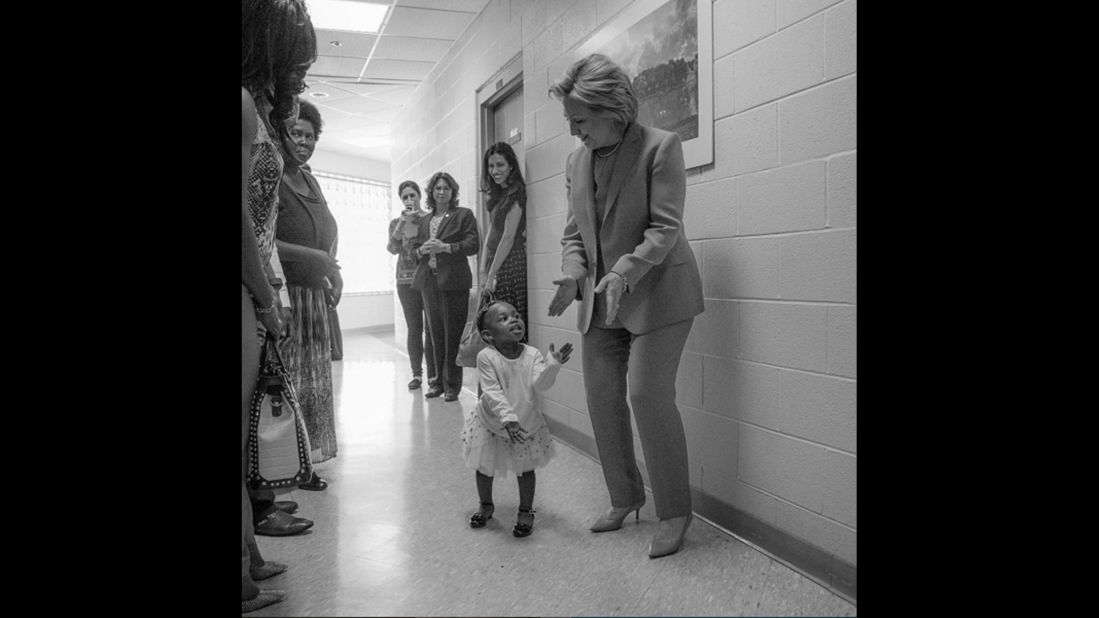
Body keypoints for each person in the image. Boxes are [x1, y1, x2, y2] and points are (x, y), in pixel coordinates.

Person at [547, 53, 705, 559]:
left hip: (658, 290)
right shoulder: (576, 161)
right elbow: (575, 234)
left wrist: (621, 271)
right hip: (601, 300)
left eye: (580, 121)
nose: (574, 133)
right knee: (601, 397)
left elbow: (665, 228)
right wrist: (574, 274)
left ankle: (675, 510)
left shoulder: (661, 147)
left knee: (646, 396)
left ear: (612, 109)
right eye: (570, 123)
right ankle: (625, 497)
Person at [241, 0, 316, 611]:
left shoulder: (254, 107)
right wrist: (265, 297)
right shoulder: (241, 104)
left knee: (245, 437)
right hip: (247, 288)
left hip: (259, 287)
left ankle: (249, 558)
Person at [460, 300, 572, 537]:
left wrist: (553, 365)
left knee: (526, 469)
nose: (514, 319)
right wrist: (507, 418)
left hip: (524, 423)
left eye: (516, 315)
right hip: (492, 421)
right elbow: (491, 391)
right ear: (488, 335)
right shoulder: (486, 356)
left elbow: (541, 385)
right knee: (484, 466)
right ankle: (486, 505)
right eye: (503, 318)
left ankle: (525, 510)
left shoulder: (532, 354)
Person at [275, 97, 340, 490]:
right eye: (296, 133)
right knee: (288, 384)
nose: (303, 141)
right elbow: (263, 242)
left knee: (314, 383)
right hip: (286, 296)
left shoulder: (309, 178)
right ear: (281, 133)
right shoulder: (271, 177)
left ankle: (306, 462)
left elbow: (327, 229)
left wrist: (332, 268)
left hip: (315, 295)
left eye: (310, 136)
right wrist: (316, 257)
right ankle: (281, 466)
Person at [410, 172, 480, 402]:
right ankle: (436, 382)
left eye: (446, 188)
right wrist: (421, 251)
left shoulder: (463, 215)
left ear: (453, 192)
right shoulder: (424, 220)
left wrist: (445, 247)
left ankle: (452, 386)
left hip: (454, 283)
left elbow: (473, 245)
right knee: (434, 335)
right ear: (431, 192)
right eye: (438, 188)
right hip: (429, 283)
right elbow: (413, 251)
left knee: (452, 336)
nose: (441, 192)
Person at [387, 180, 437, 391]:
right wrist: (402, 223)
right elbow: (392, 248)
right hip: (405, 282)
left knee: (431, 328)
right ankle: (416, 374)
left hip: (428, 278)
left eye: (412, 195)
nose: (409, 200)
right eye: (405, 197)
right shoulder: (396, 223)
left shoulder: (430, 218)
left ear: (419, 196)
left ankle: (434, 376)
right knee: (414, 328)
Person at [479, 142, 528, 339]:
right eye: (491, 166)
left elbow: (508, 237)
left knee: (508, 324)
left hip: (511, 263)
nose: (494, 171)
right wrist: (483, 269)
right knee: (494, 323)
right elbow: (492, 230)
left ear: (511, 166)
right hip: (495, 262)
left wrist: (491, 274)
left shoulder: (516, 191)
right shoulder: (496, 193)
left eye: (500, 165)